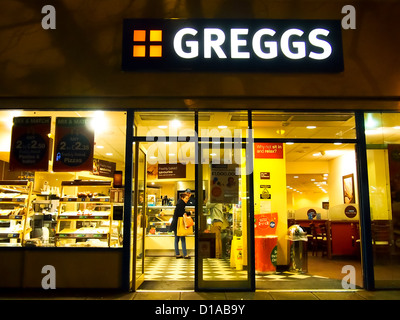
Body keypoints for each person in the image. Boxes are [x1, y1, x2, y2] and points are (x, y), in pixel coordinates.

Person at [170, 192, 191, 259]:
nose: (187, 200)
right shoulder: (181, 204)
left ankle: (177, 254)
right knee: (182, 238)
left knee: (177, 239)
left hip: (176, 224)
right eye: (186, 198)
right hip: (179, 224)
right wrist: (189, 213)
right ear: (182, 198)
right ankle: (185, 254)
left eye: (188, 198)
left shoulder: (179, 203)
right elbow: (181, 213)